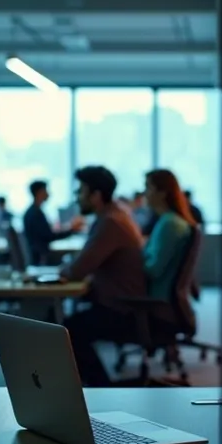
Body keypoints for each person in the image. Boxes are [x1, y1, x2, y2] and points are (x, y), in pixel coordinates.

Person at [61, 166, 147, 387]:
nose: (77, 197)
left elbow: (77, 270)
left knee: (66, 331)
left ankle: (101, 388)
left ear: (96, 195)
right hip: (127, 302)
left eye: (81, 191)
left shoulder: (109, 222)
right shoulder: (116, 214)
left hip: (123, 308)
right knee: (63, 322)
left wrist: (64, 269)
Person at [142, 170, 197, 325]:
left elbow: (153, 269)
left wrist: (131, 258)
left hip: (157, 304)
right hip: (165, 301)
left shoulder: (169, 224)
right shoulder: (169, 221)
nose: (144, 193)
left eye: (148, 187)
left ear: (162, 193)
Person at [23, 180, 81, 266]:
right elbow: (49, 236)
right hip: (41, 259)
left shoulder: (33, 212)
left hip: (39, 256)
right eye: (45, 191)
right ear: (39, 192)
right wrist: (72, 230)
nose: (48, 194)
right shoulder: (35, 214)